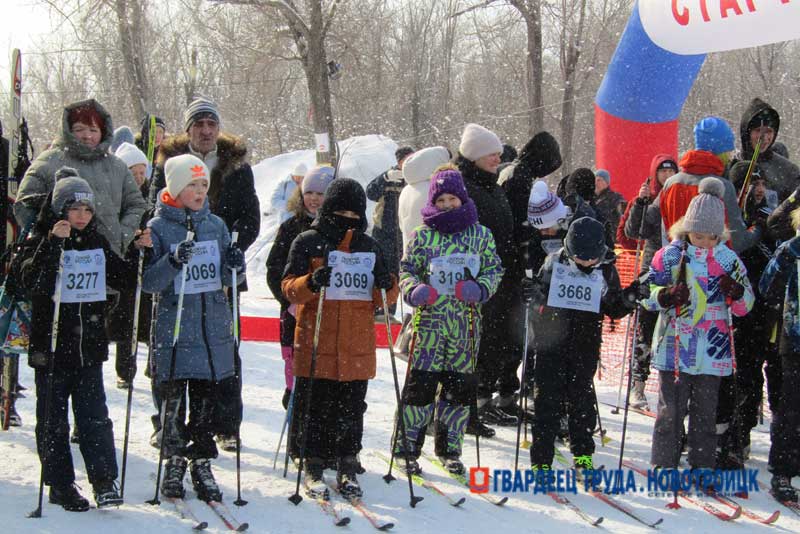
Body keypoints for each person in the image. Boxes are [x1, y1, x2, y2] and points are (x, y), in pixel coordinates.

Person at [21, 168, 138, 511]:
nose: (82, 217)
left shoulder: (96, 240)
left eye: (87, 210)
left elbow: (123, 275)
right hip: (53, 348)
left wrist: (140, 253)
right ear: (60, 209)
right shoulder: (41, 239)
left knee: (94, 417)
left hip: (88, 347)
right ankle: (60, 483)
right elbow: (30, 283)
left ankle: (104, 479)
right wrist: (51, 246)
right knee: (54, 420)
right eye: (75, 209)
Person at [153, 97, 260, 452]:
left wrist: (232, 245)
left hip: (221, 272)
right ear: (188, 130)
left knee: (225, 350)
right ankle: (167, 423)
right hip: (176, 268)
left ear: (219, 129)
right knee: (171, 350)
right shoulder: (168, 164)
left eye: (211, 124)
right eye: (198, 124)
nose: (205, 131)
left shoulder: (237, 167)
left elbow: (251, 217)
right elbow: (154, 207)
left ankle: (226, 424)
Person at [281, 178, 398, 500]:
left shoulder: (370, 246)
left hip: (356, 343)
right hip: (317, 340)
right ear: (329, 209)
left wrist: (386, 284)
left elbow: (384, 299)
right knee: (314, 407)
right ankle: (313, 461)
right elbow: (288, 286)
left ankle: (348, 460)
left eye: (353, 211)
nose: (346, 217)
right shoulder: (308, 241)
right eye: (340, 210)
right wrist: (312, 281)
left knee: (351, 408)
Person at [143, 154, 244, 502]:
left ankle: (201, 459)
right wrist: (172, 261)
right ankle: (173, 458)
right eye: (191, 185)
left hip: (210, 329)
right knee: (172, 401)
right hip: (174, 327)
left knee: (205, 402)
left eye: (203, 185)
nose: (199, 191)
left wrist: (235, 265)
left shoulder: (215, 225)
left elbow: (230, 277)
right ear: (174, 188)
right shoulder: (157, 227)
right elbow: (149, 283)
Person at [643, 177, 753, 481]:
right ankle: (664, 462)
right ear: (687, 227)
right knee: (671, 410)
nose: (705, 242)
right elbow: (645, 294)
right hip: (675, 345)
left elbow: (746, 307)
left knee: (706, 413)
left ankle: (702, 464)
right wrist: (664, 295)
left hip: (713, 349)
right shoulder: (670, 256)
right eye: (699, 235)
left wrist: (738, 293)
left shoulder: (729, 260)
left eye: (711, 237)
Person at [396, 166, 503, 475]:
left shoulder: (481, 235)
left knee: (457, 393)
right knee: (420, 390)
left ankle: (450, 448)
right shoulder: (422, 235)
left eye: (451, 199)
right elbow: (407, 269)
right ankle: (406, 446)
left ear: (462, 199)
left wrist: (481, 288)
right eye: (440, 199)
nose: (446, 204)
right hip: (429, 326)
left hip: (465, 328)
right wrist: (414, 289)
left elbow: (494, 269)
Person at [528, 217, 641, 475]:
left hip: (585, 345)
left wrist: (630, 297)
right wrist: (533, 297)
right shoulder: (553, 263)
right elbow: (538, 303)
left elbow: (614, 307)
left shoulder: (606, 269)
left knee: (581, 403)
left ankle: (583, 458)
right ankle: (541, 460)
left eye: (591, 259)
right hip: (551, 343)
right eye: (580, 258)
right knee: (547, 402)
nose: (586, 264)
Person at [15, 99, 147, 255]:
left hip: (108, 257)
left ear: (103, 132)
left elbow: (136, 204)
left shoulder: (117, 166)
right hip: (60, 259)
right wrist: (51, 231)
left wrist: (122, 236)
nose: (87, 136)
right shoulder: (49, 161)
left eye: (93, 130)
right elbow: (24, 204)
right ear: (68, 130)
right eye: (79, 129)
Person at [456, 123, 521, 430]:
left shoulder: (491, 185)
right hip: (474, 276)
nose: (497, 158)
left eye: (497, 153)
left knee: (491, 344)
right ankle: (462, 407)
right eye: (490, 154)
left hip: (498, 275)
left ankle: (478, 403)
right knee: (471, 346)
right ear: (474, 156)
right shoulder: (464, 186)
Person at [266, 166, 334, 414]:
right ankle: (294, 406)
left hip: (328, 312)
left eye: (321, 193)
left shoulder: (339, 231)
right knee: (295, 365)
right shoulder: (291, 227)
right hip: (295, 311)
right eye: (310, 192)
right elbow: (274, 269)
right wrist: (288, 299)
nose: (314, 198)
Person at [622, 154, 678, 409]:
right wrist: (641, 203)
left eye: (671, 171)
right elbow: (633, 232)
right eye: (662, 171)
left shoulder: (679, 197)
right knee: (644, 329)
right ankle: (638, 385)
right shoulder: (648, 199)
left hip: (677, 271)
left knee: (673, 334)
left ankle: (671, 388)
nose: (667, 176)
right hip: (651, 271)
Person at [758, 215, 800, 503]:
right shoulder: (792, 248)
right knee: (791, 406)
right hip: (795, 338)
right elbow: (767, 284)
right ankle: (782, 469)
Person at [367, 146, 414, 323]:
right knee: (384, 270)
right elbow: (370, 192)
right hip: (384, 231)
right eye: (405, 160)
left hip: (405, 232)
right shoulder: (389, 176)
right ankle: (382, 309)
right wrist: (385, 178)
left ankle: (392, 308)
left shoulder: (416, 176)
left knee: (401, 270)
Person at [733, 98, 799, 202]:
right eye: (758, 130)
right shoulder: (733, 166)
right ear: (746, 132)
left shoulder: (789, 171)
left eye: (769, 131)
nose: (763, 137)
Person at [398, 146, 451, 252]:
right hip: (435, 254)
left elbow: (401, 225)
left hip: (411, 251)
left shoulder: (406, 190)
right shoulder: (435, 188)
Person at [593, 169, 625, 244]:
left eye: (599, 180)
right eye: (594, 180)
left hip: (611, 240)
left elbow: (624, 216)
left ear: (606, 183)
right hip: (594, 240)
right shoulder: (589, 199)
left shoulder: (615, 198)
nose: (596, 183)